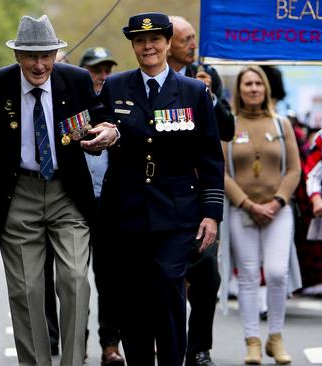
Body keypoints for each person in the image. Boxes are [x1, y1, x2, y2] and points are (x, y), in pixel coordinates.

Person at [0, 15, 119, 366]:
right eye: (31, 56)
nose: (39, 64)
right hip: (18, 195)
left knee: (76, 280)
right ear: (17, 56)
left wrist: (108, 131)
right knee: (27, 291)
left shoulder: (76, 80)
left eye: (46, 55)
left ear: (56, 53)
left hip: (68, 194)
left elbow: (100, 116)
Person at [97, 12, 224, 366]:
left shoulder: (194, 92)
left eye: (155, 40)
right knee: (133, 298)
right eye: (140, 41)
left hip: (177, 211)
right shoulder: (116, 86)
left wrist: (212, 215)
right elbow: (98, 124)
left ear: (169, 44)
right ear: (133, 46)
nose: (148, 47)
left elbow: (211, 158)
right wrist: (100, 136)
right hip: (127, 211)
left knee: (169, 286)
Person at [166, 15, 235, 366]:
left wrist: (210, 96)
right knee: (166, 276)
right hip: (165, 194)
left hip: (199, 194)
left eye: (194, 37)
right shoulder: (157, 80)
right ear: (168, 43)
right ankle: (167, 344)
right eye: (186, 39)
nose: (193, 44)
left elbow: (227, 128)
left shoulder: (205, 76)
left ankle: (199, 348)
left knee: (207, 275)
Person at [221, 66, 300, 365]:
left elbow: (294, 169)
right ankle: (252, 341)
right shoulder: (228, 124)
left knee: (278, 273)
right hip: (243, 212)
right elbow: (222, 171)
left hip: (278, 211)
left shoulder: (282, 124)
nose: (253, 89)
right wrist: (247, 204)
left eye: (258, 84)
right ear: (239, 90)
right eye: (247, 84)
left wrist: (277, 202)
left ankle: (275, 338)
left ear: (266, 88)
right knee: (249, 277)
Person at [79, 46, 124, 366]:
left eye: (107, 70)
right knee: (73, 279)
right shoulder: (70, 105)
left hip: (111, 206)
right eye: (96, 70)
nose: (103, 76)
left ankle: (110, 345)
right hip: (75, 205)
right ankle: (74, 339)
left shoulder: (121, 109)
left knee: (110, 279)